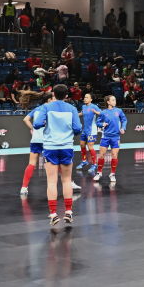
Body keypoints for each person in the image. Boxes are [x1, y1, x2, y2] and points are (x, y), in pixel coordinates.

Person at [31, 84, 82, 229]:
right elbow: (78, 129)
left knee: (52, 182)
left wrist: (46, 123)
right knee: (66, 180)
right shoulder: (72, 109)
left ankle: (53, 214)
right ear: (66, 95)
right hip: (66, 147)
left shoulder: (46, 107)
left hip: (50, 148)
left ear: (53, 94)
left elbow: (36, 124)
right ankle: (68, 212)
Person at [92, 95, 127, 184]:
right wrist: (102, 124)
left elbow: (124, 120)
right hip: (105, 137)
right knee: (101, 155)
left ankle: (112, 174)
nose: (115, 101)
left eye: (115, 100)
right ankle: (99, 172)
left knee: (114, 155)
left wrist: (123, 128)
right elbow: (98, 122)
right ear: (108, 102)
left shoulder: (119, 111)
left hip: (116, 137)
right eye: (113, 100)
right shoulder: (103, 112)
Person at [78, 94, 101, 175]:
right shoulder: (83, 106)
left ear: (91, 99)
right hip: (85, 130)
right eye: (84, 97)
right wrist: (73, 115)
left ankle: (94, 164)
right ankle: (84, 161)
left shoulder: (94, 106)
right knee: (82, 144)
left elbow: (101, 113)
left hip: (92, 130)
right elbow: (82, 113)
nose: (85, 98)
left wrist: (96, 112)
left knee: (90, 146)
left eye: (87, 97)